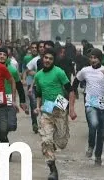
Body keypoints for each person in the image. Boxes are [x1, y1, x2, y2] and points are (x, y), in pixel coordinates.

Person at [34, 48, 77, 180]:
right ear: (42, 58)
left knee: (62, 143)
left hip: (60, 108)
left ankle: (55, 141)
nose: (47, 60)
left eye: (50, 59)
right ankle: (53, 170)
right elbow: (39, 94)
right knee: (46, 141)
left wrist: (71, 109)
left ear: (53, 60)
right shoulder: (38, 76)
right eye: (45, 58)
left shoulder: (59, 72)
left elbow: (70, 90)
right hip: (46, 111)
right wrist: (37, 107)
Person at [72, 48, 104, 166]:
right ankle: (91, 146)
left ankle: (98, 156)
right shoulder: (85, 70)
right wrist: (72, 93)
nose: (93, 60)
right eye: (91, 57)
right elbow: (75, 82)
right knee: (94, 124)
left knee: (101, 133)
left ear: (100, 59)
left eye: (95, 58)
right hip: (90, 103)